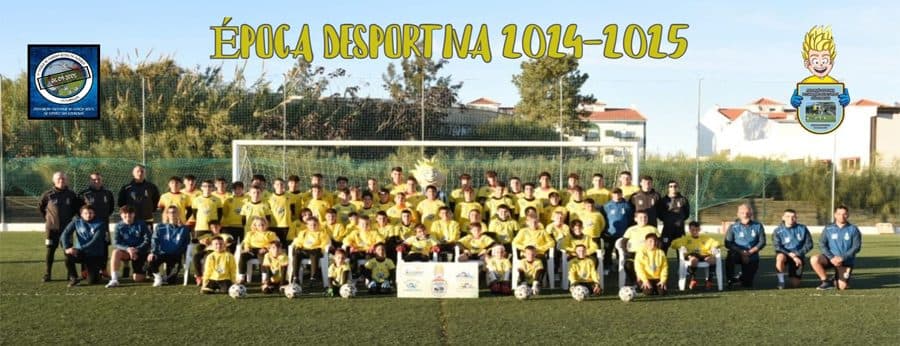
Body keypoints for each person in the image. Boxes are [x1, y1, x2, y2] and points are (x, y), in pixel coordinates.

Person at [39, 171, 83, 282]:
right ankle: (47, 274)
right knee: (50, 251)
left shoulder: (72, 194)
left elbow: (77, 209)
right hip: (51, 229)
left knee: (68, 251)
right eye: (59, 178)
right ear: (54, 180)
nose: (61, 180)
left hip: (67, 229)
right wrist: (49, 219)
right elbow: (41, 208)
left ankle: (71, 274)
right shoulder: (48, 194)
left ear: (66, 180)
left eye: (63, 178)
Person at [811, 206, 862, 290]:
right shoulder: (828, 228)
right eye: (839, 214)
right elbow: (822, 243)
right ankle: (826, 281)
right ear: (835, 215)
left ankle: (835, 278)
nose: (841, 216)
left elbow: (856, 247)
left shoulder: (853, 229)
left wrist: (842, 258)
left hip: (845, 260)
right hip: (830, 258)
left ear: (848, 215)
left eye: (844, 214)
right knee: (814, 259)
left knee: (842, 287)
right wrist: (831, 257)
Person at [60, 205, 108, 287]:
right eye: (85, 213)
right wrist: (66, 248)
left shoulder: (101, 224)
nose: (88, 215)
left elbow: (94, 242)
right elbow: (64, 234)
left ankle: (97, 274)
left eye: (90, 213)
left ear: (94, 214)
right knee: (68, 255)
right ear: (81, 214)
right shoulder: (76, 222)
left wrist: (79, 249)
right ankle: (73, 278)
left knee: (92, 281)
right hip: (80, 253)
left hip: (94, 254)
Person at [107, 206, 152, 287]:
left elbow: (148, 240)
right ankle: (114, 280)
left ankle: (148, 269)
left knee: (138, 279)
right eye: (125, 215)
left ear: (134, 214)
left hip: (140, 252)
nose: (128, 217)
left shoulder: (141, 224)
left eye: (130, 215)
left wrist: (137, 249)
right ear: (121, 215)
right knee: (115, 252)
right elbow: (116, 243)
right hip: (127, 252)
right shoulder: (118, 226)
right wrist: (128, 249)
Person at [724, 203, 766, 289]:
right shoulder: (733, 227)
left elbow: (762, 242)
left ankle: (741, 277)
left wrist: (749, 253)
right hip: (737, 253)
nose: (745, 214)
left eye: (747, 212)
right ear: (738, 214)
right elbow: (728, 243)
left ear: (751, 213)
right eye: (742, 212)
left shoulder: (758, 226)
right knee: (730, 257)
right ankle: (730, 279)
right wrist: (741, 252)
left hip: (752, 254)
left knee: (747, 284)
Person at [146, 209, 191, 287]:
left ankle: (168, 276)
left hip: (175, 256)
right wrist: (153, 252)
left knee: (171, 281)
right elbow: (154, 240)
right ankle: (158, 278)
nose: (172, 214)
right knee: (151, 259)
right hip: (162, 253)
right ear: (167, 214)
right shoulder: (160, 227)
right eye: (170, 212)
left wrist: (180, 253)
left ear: (178, 214)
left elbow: (186, 244)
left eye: (174, 212)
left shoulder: (184, 229)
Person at [671, 221, 720, 290]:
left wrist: (714, 247)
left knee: (713, 260)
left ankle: (709, 281)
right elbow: (673, 244)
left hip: (703, 254)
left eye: (697, 230)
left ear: (699, 229)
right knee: (693, 260)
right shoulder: (685, 239)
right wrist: (681, 247)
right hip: (692, 255)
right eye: (693, 230)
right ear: (689, 230)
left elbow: (716, 242)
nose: (695, 232)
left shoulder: (705, 238)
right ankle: (693, 279)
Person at [772, 209, 813, 289]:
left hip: (798, 255)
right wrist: (791, 255)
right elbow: (777, 246)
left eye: (793, 217)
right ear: (783, 218)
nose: (790, 219)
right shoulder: (777, 231)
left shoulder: (803, 228)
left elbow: (809, 244)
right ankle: (781, 281)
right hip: (785, 254)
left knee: (795, 284)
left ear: (796, 218)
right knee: (779, 257)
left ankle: (793, 274)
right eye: (788, 216)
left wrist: (797, 254)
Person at [621, 211, 660, 286]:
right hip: (634, 253)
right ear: (635, 219)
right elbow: (623, 242)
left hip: (648, 254)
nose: (643, 219)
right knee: (628, 265)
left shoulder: (652, 229)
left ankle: (646, 281)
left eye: (645, 217)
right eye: (641, 217)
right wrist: (626, 252)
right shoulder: (631, 229)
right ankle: (635, 282)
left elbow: (659, 242)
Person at [237, 216, 279, 284]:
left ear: (266, 225)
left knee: (262, 256)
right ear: (255, 226)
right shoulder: (250, 233)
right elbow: (246, 242)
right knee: (243, 256)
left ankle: (264, 278)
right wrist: (247, 247)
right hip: (252, 250)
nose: (261, 226)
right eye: (259, 225)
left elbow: (273, 243)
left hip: (264, 250)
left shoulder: (270, 234)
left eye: (263, 224)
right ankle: (241, 277)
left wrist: (265, 248)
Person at [192, 218, 232, 285]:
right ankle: (198, 276)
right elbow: (194, 240)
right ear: (210, 229)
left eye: (216, 227)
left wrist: (226, 243)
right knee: (196, 256)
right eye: (212, 227)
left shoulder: (224, 235)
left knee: (206, 258)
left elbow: (230, 240)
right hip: (207, 250)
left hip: (217, 252)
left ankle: (206, 278)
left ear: (220, 227)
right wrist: (201, 241)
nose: (214, 229)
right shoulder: (208, 236)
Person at [290, 217, 330, 284]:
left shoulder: (321, 233)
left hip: (316, 251)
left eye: (315, 224)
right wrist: (298, 246)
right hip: (305, 251)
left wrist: (319, 248)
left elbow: (324, 243)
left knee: (314, 253)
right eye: (311, 225)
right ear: (307, 225)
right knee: (297, 253)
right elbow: (299, 242)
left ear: (318, 224)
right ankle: (295, 277)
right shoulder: (303, 233)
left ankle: (313, 277)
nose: (313, 226)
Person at [601, 188, 633, 274]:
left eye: (618, 193)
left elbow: (630, 218)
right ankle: (607, 267)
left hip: (622, 234)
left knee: (621, 252)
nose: (616, 195)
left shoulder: (627, 205)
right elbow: (603, 219)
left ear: (621, 194)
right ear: (612, 195)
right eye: (614, 194)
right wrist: (605, 230)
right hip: (610, 233)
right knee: (608, 251)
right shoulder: (607, 206)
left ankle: (620, 268)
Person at [658, 180, 690, 254]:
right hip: (667, 229)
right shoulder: (663, 200)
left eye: (675, 186)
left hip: (679, 230)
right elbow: (660, 214)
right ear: (668, 188)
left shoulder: (683, 199)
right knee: (663, 249)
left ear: (678, 187)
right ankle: (663, 265)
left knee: (681, 251)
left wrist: (679, 220)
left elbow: (686, 214)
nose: (673, 188)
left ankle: (681, 266)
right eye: (671, 186)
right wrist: (668, 220)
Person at [268, 178, 295, 245]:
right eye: (277, 184)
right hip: (273, 225)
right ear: (274, 186)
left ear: (284, 185)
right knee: (274, 245)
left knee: (285, 245)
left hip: (285, 225)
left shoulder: (290, 196)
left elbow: (293, 210)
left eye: (281, 184)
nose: (279, 186)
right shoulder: (269, 197)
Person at [221, 181, 247, 251]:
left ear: (243, 189)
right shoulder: (228, 200)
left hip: (243, 227)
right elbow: (224, 213)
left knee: (243, 247)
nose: (237, 191)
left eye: (239, 189)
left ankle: (240, 261)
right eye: (235, 189)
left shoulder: (248, 199)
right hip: (231, 227)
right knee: (231, 247)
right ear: (233, 190)